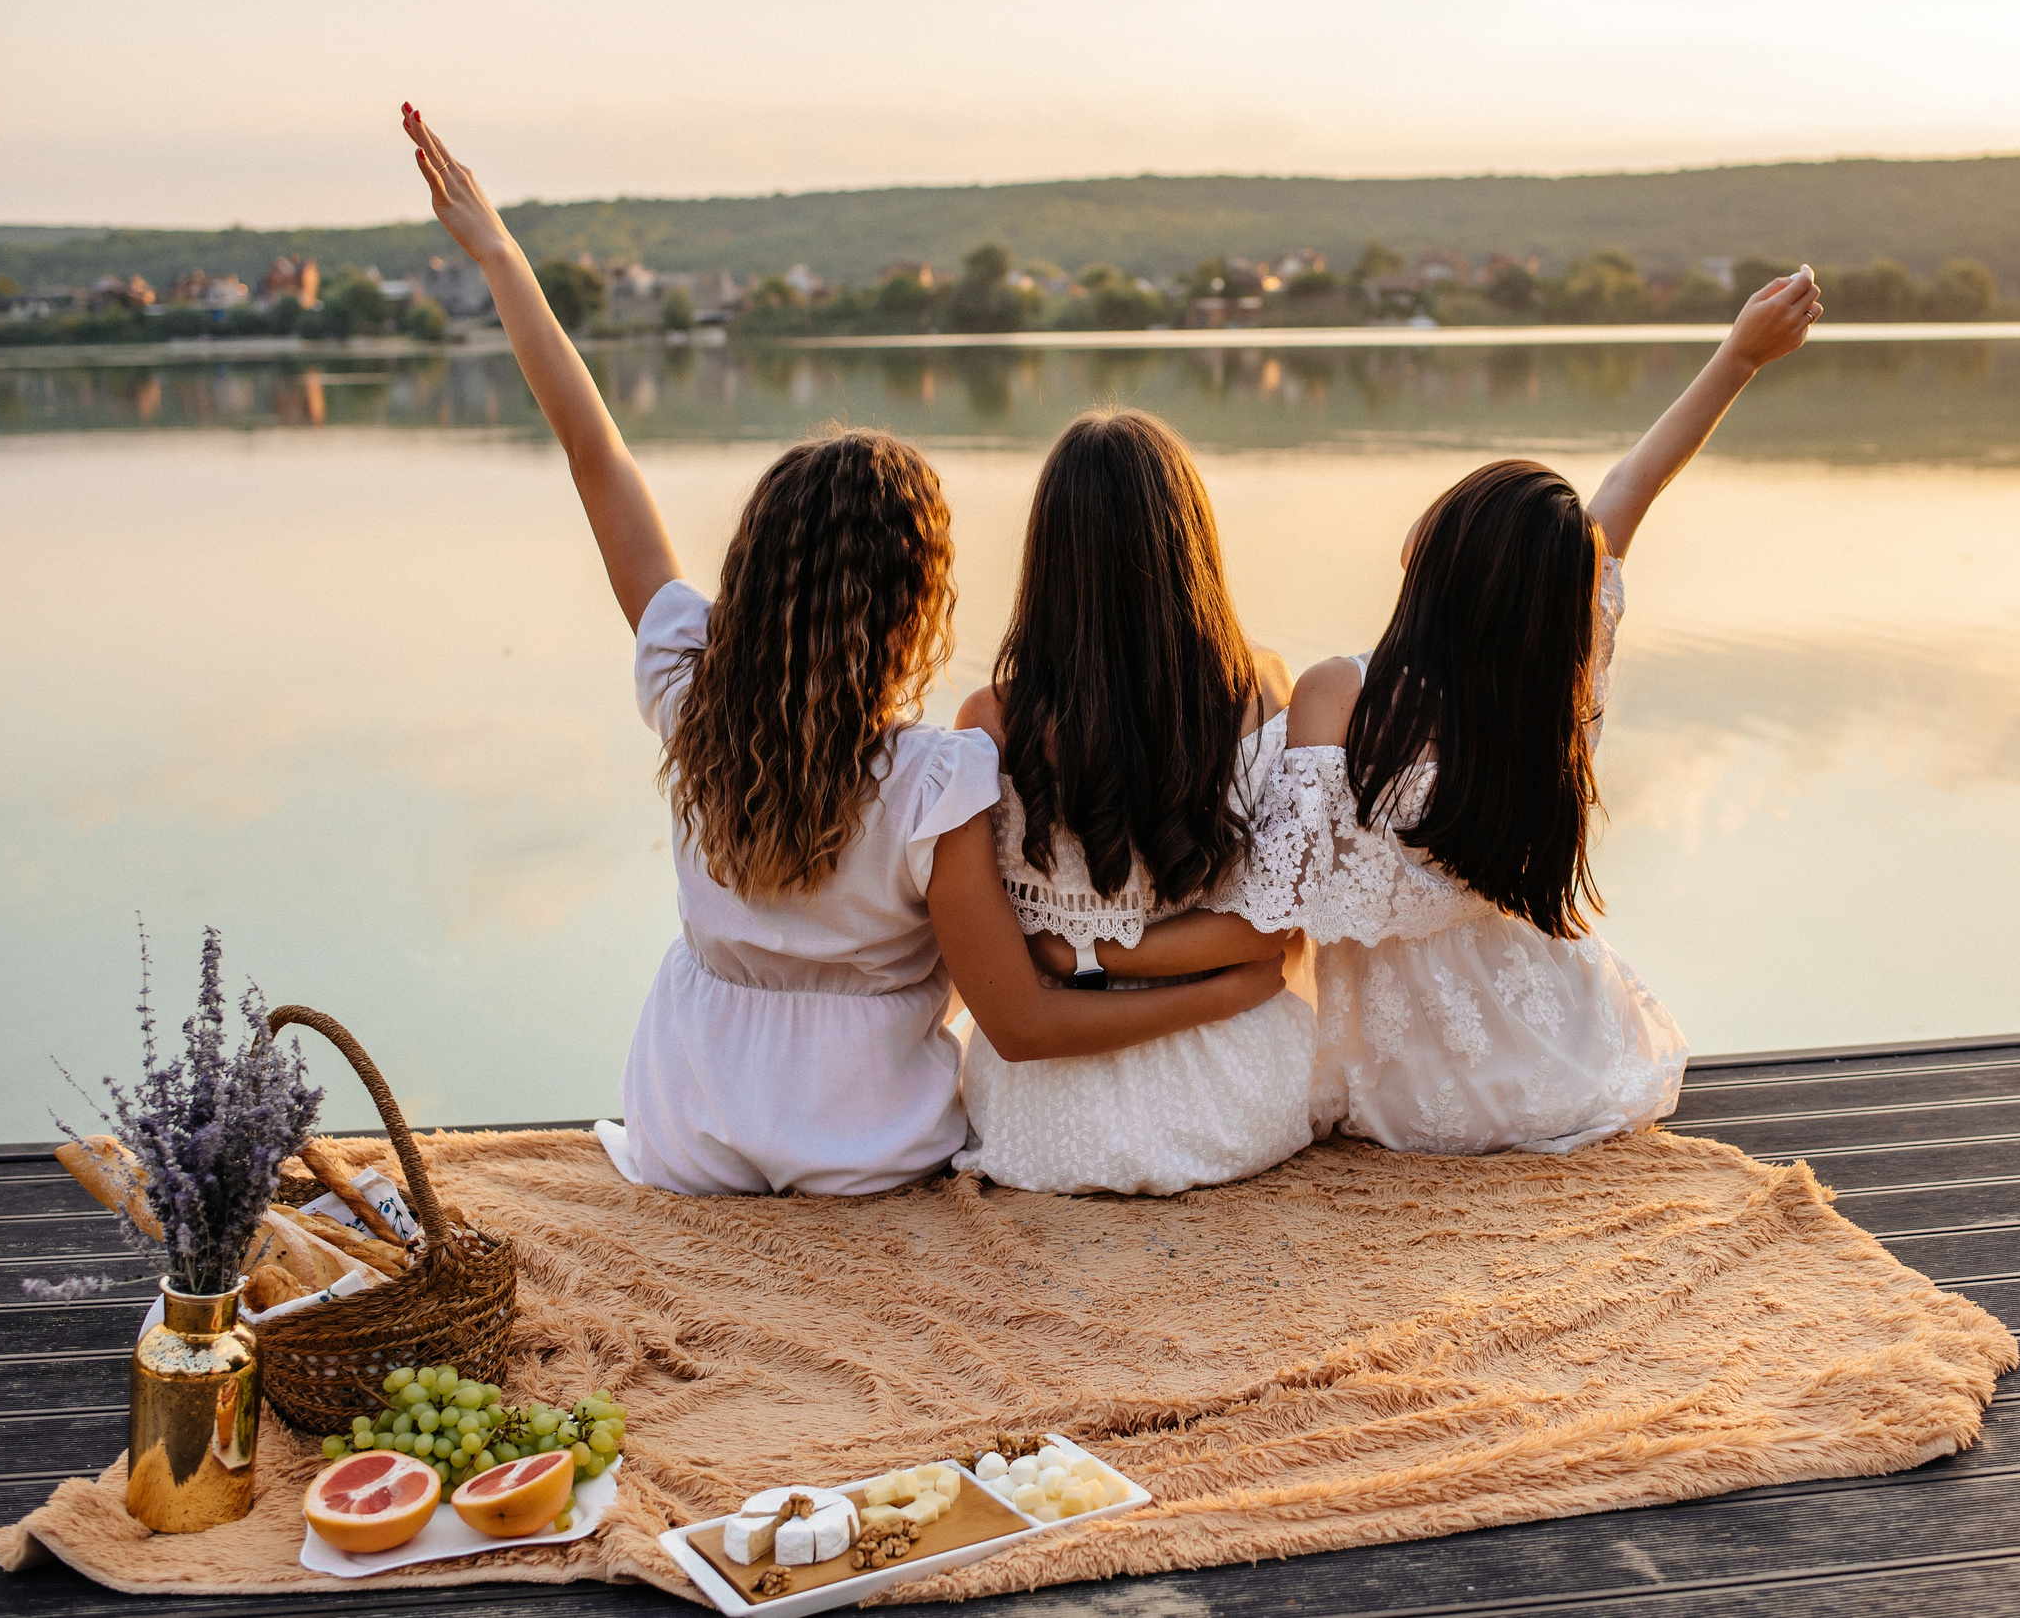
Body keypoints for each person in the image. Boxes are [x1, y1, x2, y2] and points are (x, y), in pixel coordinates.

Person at [399, 105, 1284, 1195]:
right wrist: (1237, 984)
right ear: (915, 605)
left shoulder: (689, 693)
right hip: (872, 1150)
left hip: (693, 1131)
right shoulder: (936, 785)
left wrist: (501, 257)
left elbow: (595, 455)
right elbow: (1023, 1017)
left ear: (758, 569)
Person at [1120, 268, 1824, 1154]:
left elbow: (1275, 910)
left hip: (1407, 1082)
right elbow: (1626, 490)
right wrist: (1739, 357)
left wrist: (1103, 954)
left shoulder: (1341, 692)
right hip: (1558, 1048)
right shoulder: (1558, 671)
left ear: (1440, 555)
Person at [950, 411, 1317, 1195]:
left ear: (1046, 559)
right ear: (1192, 545)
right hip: (1238, 1094)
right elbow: (1271, 935)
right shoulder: (1262, 692)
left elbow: (1009, 966)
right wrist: (1214, 977)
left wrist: (1081, 951)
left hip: (1044, 1115)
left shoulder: (990, 720)